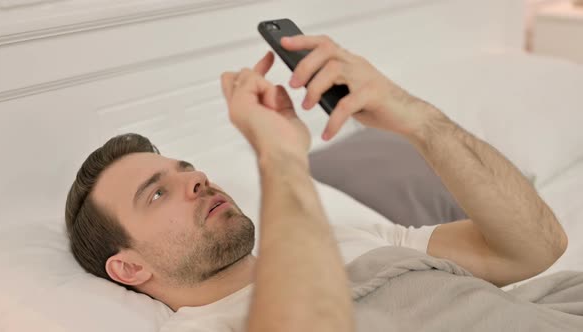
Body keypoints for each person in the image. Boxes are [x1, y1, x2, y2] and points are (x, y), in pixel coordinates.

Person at [65, 35, 568, 332]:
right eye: (156, 193)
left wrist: (414, 116)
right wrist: (281, 157)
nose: (196, 178)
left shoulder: (351, 237)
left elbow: (534, 249)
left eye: (186, 168)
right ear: (128, 267)